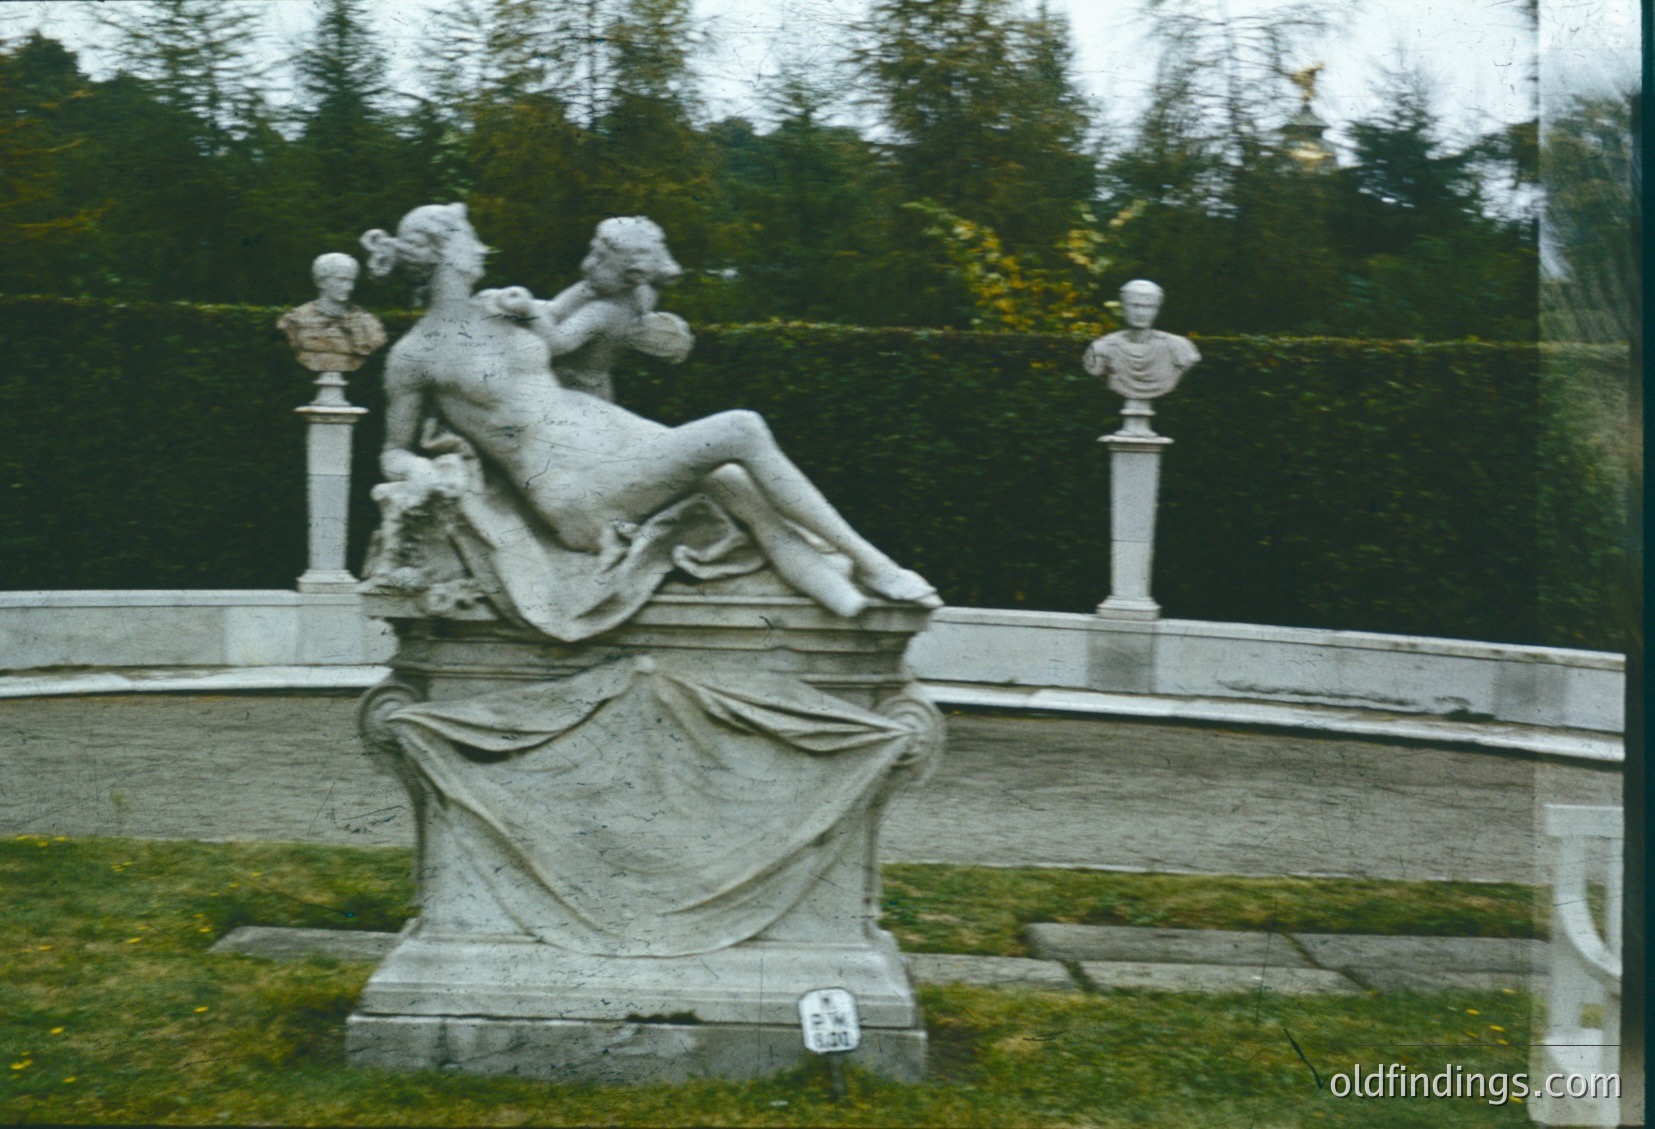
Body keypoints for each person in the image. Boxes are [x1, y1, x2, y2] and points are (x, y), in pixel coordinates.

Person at [361, 203, 940, 621]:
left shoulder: (499, 309)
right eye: (468, 237)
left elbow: (574, 314)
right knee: (740, 429)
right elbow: (394, 448)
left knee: (735, 480)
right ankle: (874, 562)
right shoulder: (415, 356)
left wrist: (641, 321)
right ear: (444, 255)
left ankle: (842, 594)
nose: (480, 245)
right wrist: (418, 470)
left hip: (611, 447)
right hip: (574, 489)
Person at [1082, 279, 1200, 401]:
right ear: (1123, 308)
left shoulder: (1179, 346)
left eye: (1148, 307)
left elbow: (1190, 360)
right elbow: (1094, 369)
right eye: (1135, 306)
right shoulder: (1101, 348)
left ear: (1157, 310)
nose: (1141, 313)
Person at [276, 253, 387, 373]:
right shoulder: (295, 320)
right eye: (342, 279)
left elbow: (377, 342)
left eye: (352, 281)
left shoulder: (368, 322)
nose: (348, 287)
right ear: (321, 282)